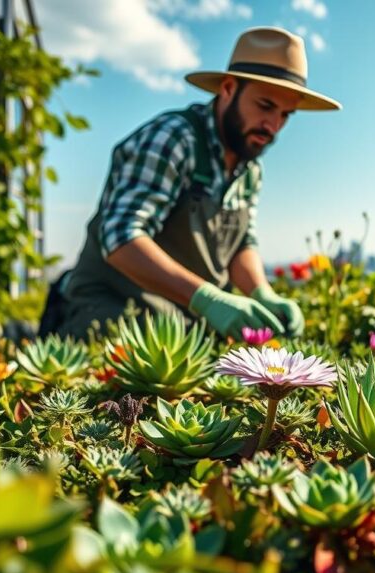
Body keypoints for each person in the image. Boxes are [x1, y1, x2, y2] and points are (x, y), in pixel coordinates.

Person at [41, 27, 340, 340]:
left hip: (183, 328)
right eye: (265, 106)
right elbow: (121, 238)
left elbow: (240, 243)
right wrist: (207, 299)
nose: (273, 126)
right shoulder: (172, 139)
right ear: (227, 88)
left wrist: (261, 293)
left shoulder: (250, 168)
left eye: (286, 115)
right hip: (114, 318)